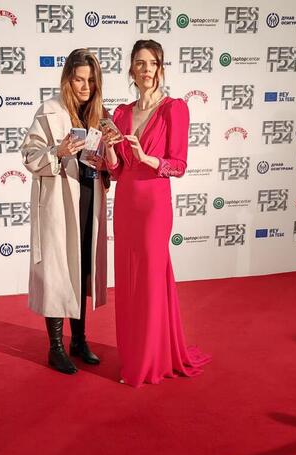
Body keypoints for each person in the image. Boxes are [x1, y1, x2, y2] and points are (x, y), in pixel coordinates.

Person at [102, 39, 210, 387]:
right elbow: (116, 170)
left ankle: (150, 361)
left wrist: (147, 158)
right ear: (131, 69)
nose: (146, 69)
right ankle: (134, 354)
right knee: (128, 280)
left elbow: (178, 165)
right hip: (126, 201)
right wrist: (109, 150)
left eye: (152, 63)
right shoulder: (121, 113)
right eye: (140, 63)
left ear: (160, 68)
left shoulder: (173, 109)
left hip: (153, 204)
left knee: (149, 279)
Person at [21, 49, 108, 375]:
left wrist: (105, 161)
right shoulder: (49, 111)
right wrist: (57, 151)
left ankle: (79, 340)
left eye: (91, 81)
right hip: (58, 202)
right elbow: (29, 156)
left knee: (81, 268)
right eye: (79, 80)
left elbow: (108, 164)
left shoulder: (100, 115)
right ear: (67, 80)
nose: (85, 87)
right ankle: (55, 347)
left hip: (88, 198)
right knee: (58, 271)